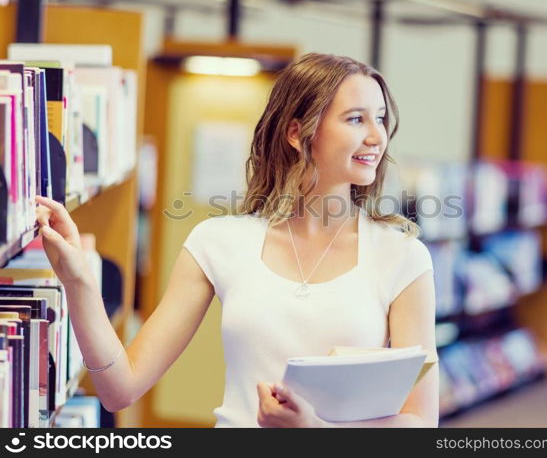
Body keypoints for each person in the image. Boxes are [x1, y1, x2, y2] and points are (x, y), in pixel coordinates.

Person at [35, 52, 439, 428]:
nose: (377, 137)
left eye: (380, 118)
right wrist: (78, 280)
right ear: (297, 134)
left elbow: (422, 424)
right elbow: (119, 389)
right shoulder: (219, 241)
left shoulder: (402, 255)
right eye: (355, 119)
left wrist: (313, 430)